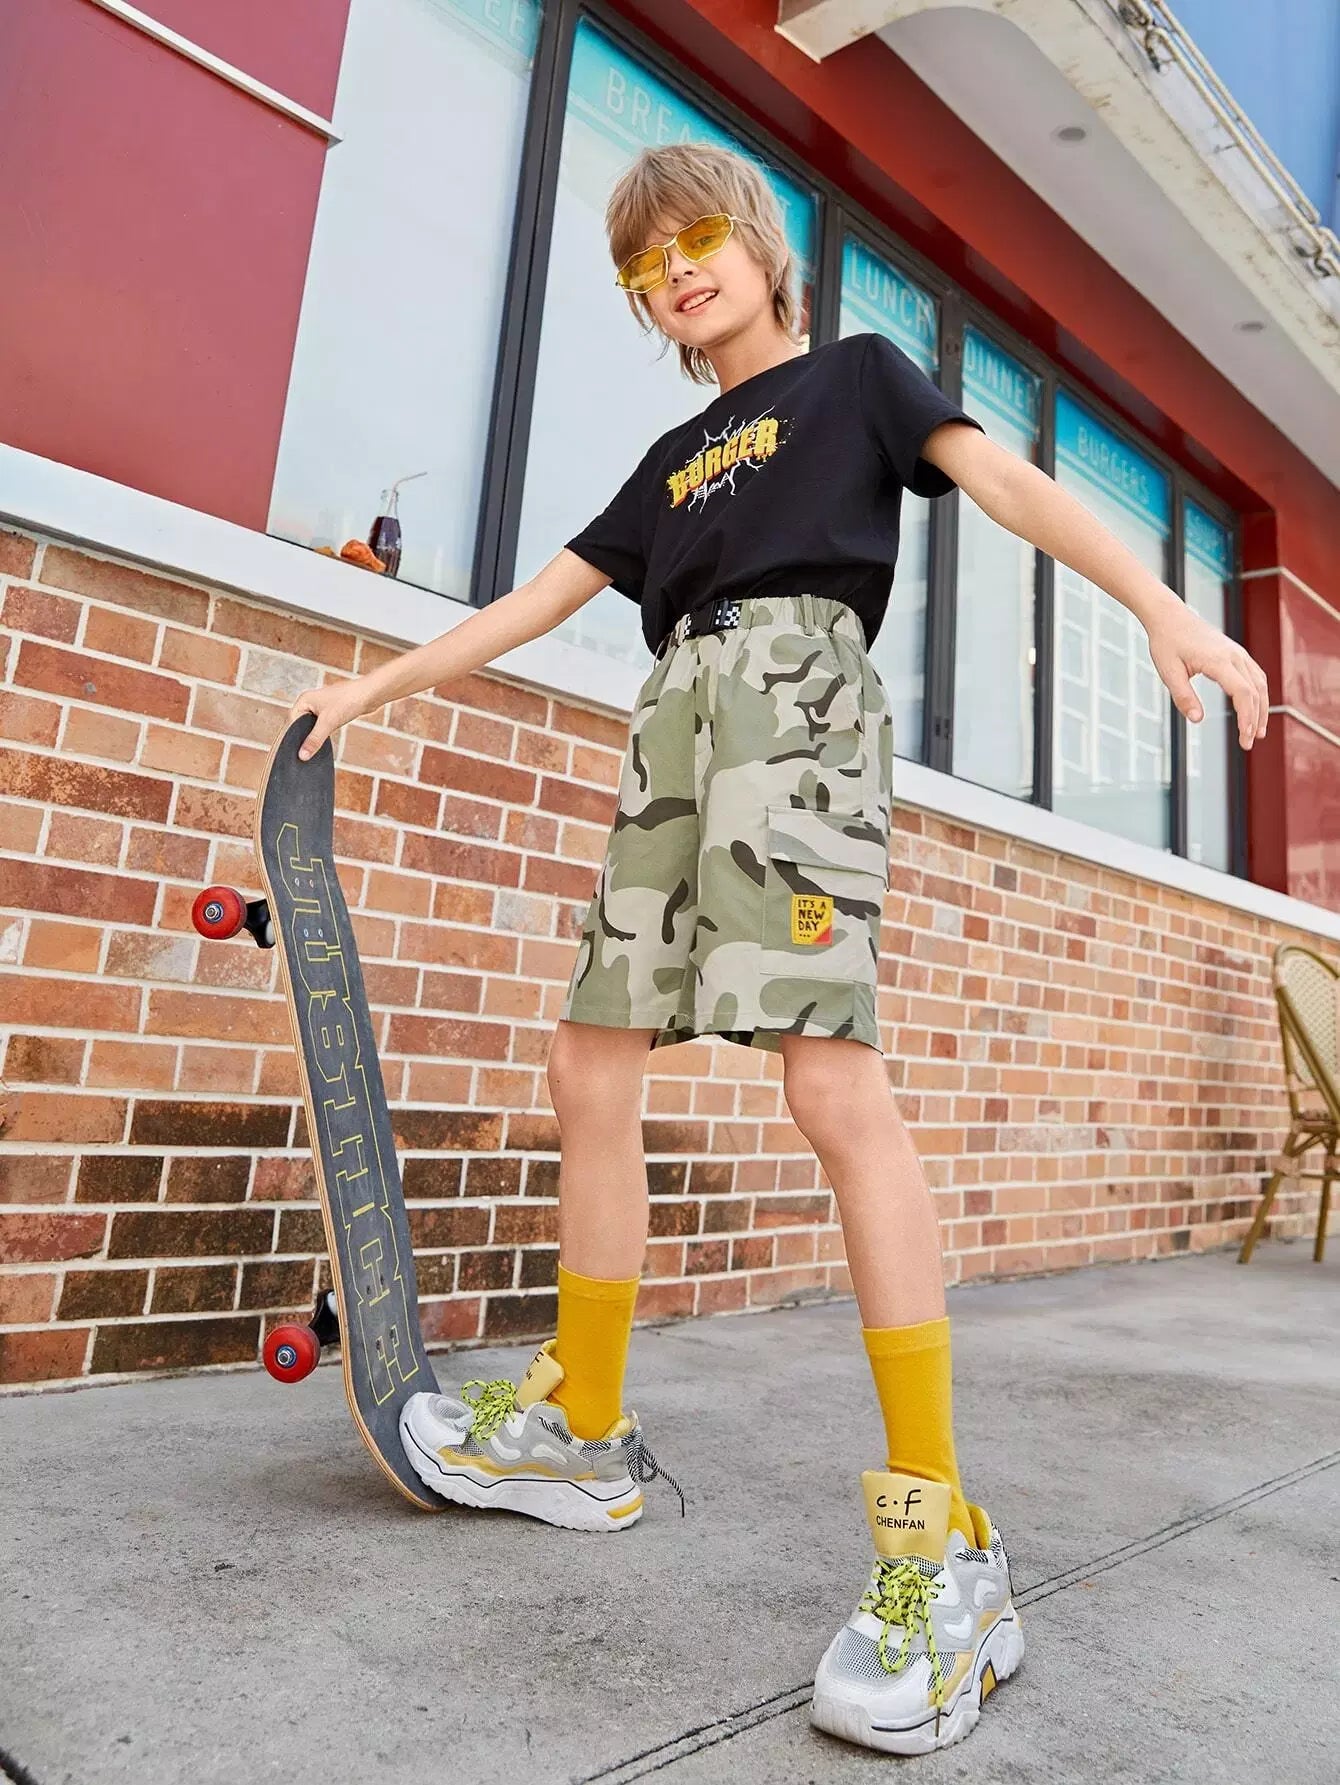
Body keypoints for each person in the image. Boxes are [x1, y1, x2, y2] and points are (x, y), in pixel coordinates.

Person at [289, 142, 1268, 1756]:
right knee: (589, 1058)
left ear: (755, 242)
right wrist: (372, 685)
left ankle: (943, 1540)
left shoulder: (859, 379)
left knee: (827, 1085)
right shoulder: (672, 460)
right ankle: (587, 1418)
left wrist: (1161, 607)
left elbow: (1009, 485)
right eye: (642, 266)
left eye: (692, 239)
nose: (673, 272)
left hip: (798, 715)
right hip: (676, 718)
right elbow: (533, 603)